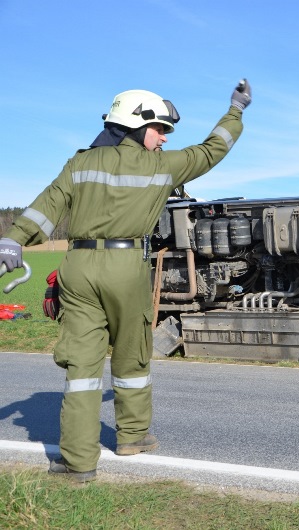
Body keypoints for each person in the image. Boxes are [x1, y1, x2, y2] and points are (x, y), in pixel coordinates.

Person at [0, 79, 252, 482]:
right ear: (136, 125)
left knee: (82, 368)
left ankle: (78, 464)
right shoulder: (161, 167)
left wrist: (13, 241)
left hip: (78, 268)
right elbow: (212, 149)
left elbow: (46, 208)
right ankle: (133, 436)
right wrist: (236, 110)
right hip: (127, 266)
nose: (165, 139)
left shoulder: (79, 164)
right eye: (161, 129)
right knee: (132, 354)